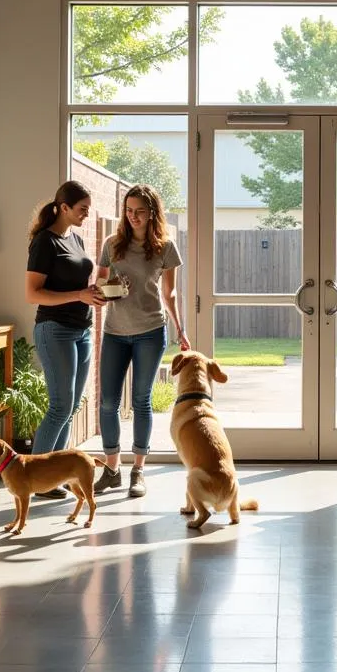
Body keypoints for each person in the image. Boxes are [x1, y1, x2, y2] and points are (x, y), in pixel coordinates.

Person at [93, 185, 189, 498]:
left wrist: (181, 328)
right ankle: (111, 470)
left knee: (140, 401)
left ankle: (138, 471)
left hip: (150, 331)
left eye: (140, 212)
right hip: (115, 332)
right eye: (129, 210)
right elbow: (100, 283)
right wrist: (111, 286)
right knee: (108, 402)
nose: (133, 217)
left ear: (152, 214)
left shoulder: (165, 247)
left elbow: (169, 293)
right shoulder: (112, 243)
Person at [25, 180, 104, 499]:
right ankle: (34, 479)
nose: (86, 214)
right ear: (63, 207)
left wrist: (95, 294)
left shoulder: (76, 238)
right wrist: (79, 295)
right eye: (82, 209)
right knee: (59, 405)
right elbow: (32, 294)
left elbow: (78, 287)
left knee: (70, 406)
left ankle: (53, 476)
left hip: (81, 329)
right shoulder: (44, 242)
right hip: (54, 329)